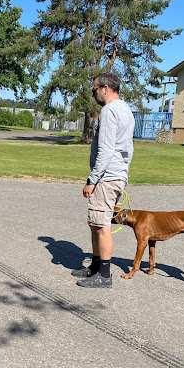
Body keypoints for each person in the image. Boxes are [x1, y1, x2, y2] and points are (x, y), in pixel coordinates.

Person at [73, 73, 135, 288]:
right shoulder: (126, 110)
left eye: (94, 90)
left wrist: (92, 179)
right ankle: (95, 267)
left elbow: (106, 150)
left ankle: (104, 276)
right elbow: (129, 148)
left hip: (107, 177)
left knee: (101, 226)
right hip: (115, 175)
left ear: (105, 88)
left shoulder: (110, 111)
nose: (93, 94)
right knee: (95, 224)